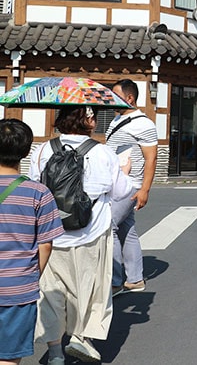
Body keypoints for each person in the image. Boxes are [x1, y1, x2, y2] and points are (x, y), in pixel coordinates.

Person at [32, 107, 133, 364]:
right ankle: (81, 338)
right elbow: (122, 192)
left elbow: (34, 186)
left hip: (51, 234)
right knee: (90, 286)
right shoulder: (101, 151)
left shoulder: (43, 150)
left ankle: (55, 353)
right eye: (92, 117)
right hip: (91, 231)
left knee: (51, 292)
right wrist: (127, 172)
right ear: (87, 120)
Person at [0, 119, 64, 365]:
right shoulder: (39, 193)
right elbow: (45, 245)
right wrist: (31, 277)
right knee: (8, 356)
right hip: (18, 289)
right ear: (26, 151)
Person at [106, 79, 158, 297]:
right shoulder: (117, 118)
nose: (112, 99)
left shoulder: (143, 124)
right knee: (127, 230)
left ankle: (117, 280)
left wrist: (145, 189)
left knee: (109, 227)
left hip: (130, 185)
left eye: (116, 95)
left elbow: (151, 158)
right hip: (116, 182)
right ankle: (135, 279)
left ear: (130, 98)